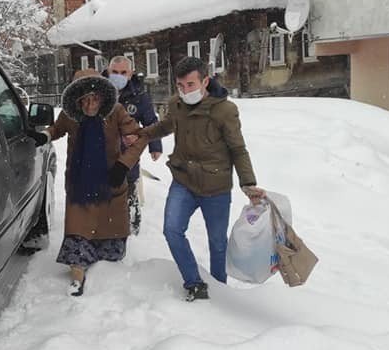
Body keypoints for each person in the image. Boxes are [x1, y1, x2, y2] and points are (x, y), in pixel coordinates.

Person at [139, 56, 265, 302]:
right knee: (172, 230)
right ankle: (194, 283)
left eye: (190, 85)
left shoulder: (225, 110)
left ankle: (219, 289)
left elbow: (238, 149)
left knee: (217, 243)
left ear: (205, 81)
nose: (185, 91)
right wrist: (141, 135)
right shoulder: (176, 104)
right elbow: (164, 126)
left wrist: (248, 184)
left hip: (215, 186)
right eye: (180, 85)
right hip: (183, 181)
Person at [26, 69, 145, 297]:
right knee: (78, 231)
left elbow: (138, 138)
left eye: (95, 99)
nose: (90, 105)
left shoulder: (117, 111)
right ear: (77, 99)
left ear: (102, 96)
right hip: (80, 184)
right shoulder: (71, 114)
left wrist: (123, 165)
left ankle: (105, 269)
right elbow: (57, 129)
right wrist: (45, 135)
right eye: (85, 100)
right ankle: (77, 274)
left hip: (111, 182)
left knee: (111, 244)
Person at [104, 55, 163, 235]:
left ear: (130, 74)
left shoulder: (140, 96)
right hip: (102, 154)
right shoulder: (97, 91)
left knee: (129, 191)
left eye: (123, 72)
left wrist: (155, 146)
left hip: (127, 156)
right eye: (115, 72)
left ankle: (131, 229)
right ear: (108, 71)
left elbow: (151, 122)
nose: (119, 76)